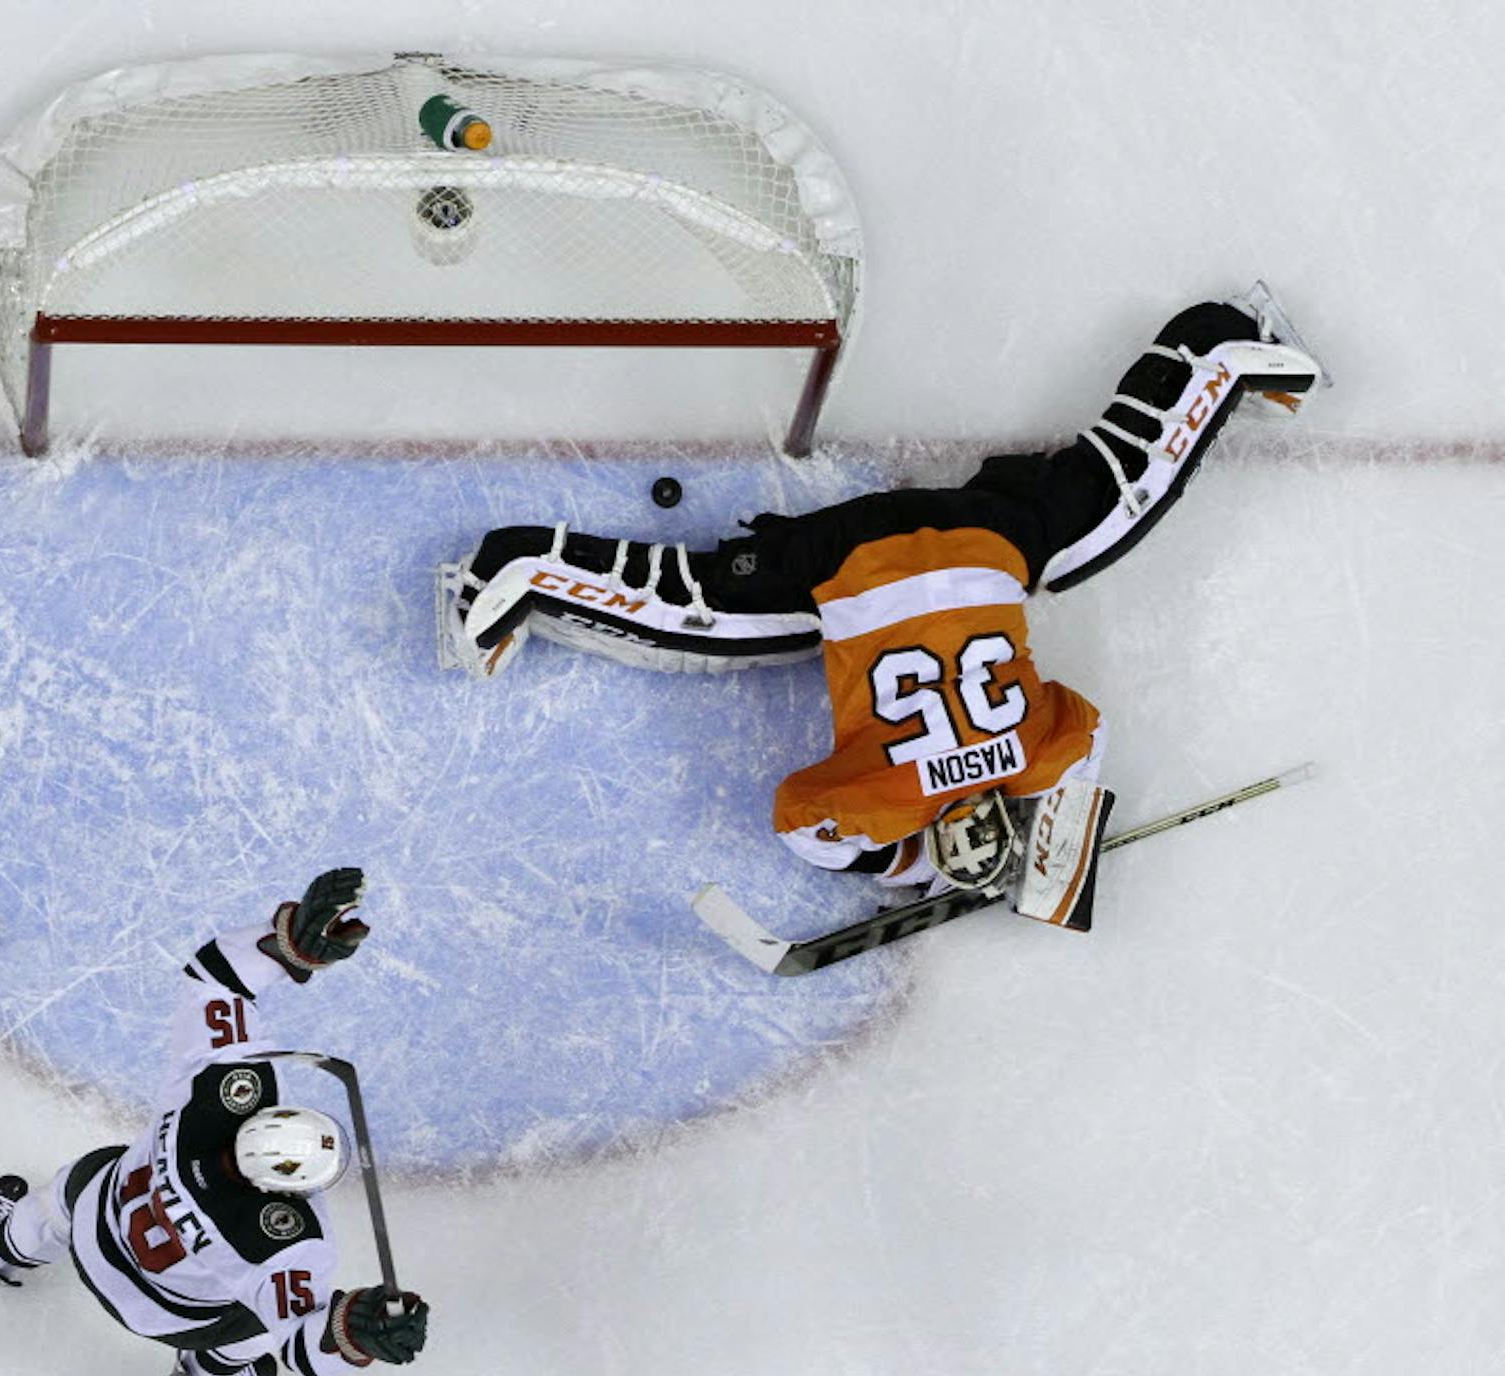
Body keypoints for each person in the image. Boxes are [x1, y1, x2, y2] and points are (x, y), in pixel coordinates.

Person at [441, 290, 1321, 921]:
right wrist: (909, 865)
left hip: (988, 539)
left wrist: (1034, 817)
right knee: (700, 612)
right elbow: (802, 820)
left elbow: (1086, 733)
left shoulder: (1037, 752)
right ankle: (519, 569)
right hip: (849, 557)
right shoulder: (887, 797)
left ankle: (1222, 344)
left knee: (1108, 507)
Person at [0, 868, 430, 1376]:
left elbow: (214, 976)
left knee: (74, 1188)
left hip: (98, 1225)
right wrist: (356, 1331)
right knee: (251, 1323)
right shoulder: (291, 1249)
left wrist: (290, 943)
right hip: (165, 1316)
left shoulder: (212, 1085)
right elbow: (301, 1344)